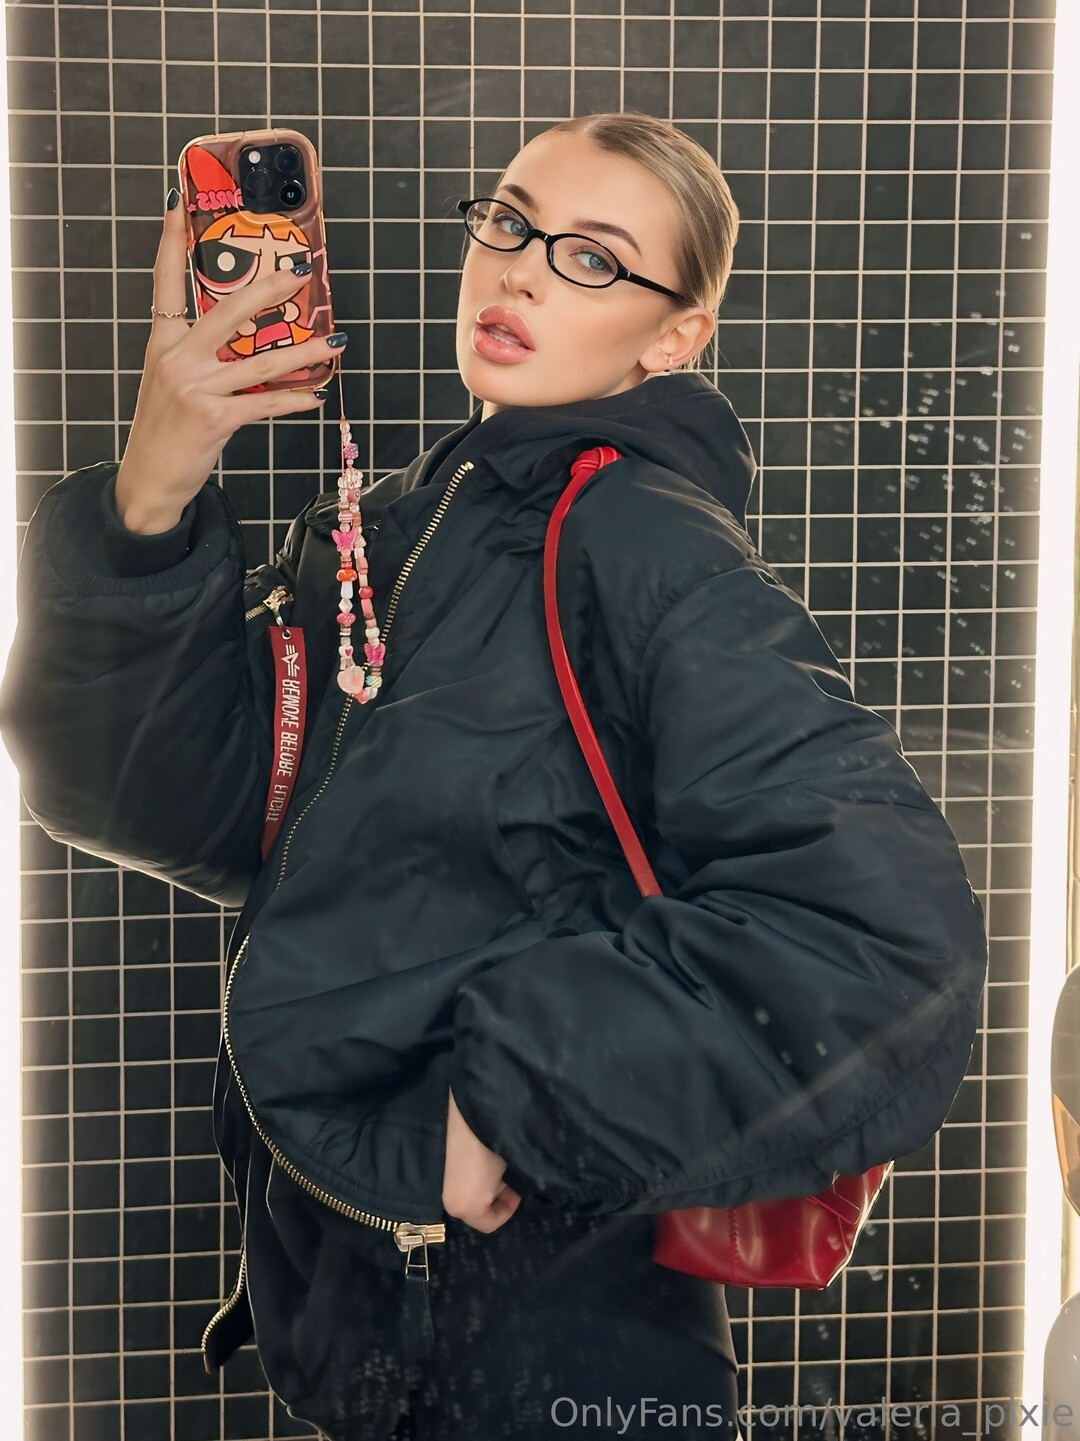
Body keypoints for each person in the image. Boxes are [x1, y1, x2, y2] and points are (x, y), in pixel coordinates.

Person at [0, 111, 988, 1441]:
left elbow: (884, 937)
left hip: (553, 1334)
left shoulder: (641, 540)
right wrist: (154, 487)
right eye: (513, 222)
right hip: (375, 1316)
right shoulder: (417, 527)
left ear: (675, 336)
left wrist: (517, 1089)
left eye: (593, 257)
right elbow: (153, 797)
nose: (520, 269)